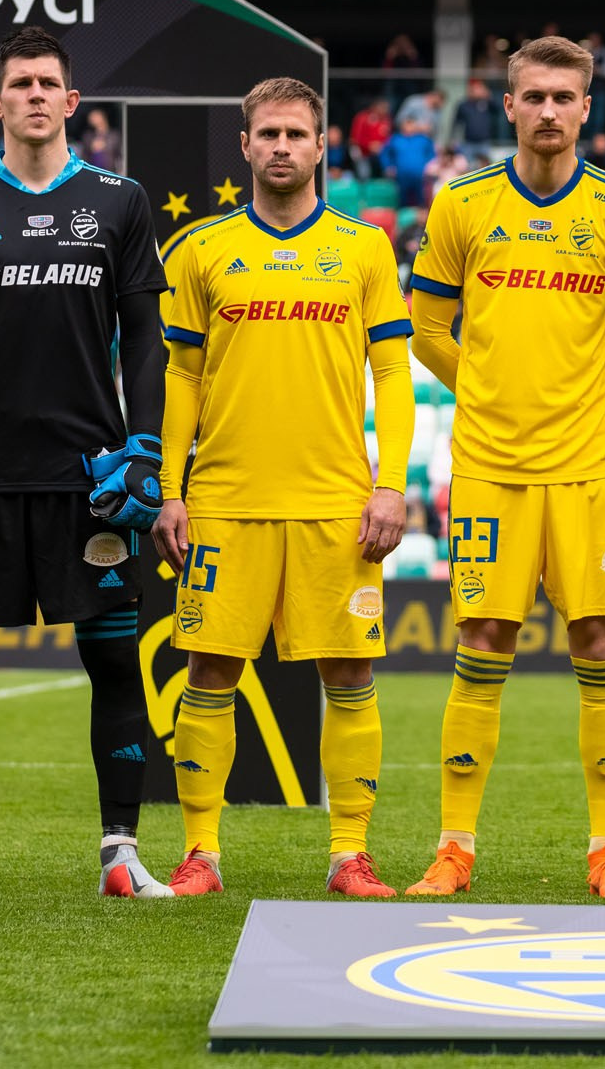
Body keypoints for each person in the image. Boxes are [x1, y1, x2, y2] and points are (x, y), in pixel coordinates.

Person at [0, 26, 172, 902]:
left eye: (51, 81)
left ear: (73, 102)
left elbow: (148, 341)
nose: (37, 94)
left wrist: (146, 452)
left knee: (116, 661)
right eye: (22, 82)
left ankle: (121, 851)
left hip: (91, 477)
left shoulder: (120, 201)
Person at [404, 36, 605, 899]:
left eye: (565, 97)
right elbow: (427, 325)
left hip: (591, 465)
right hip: (490, 464)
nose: (549, 111)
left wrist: (588, 392)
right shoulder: (462, 204)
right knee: (482, 642)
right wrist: (492, 389)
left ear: (588, 108)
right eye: (534, 96)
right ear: (507, 106)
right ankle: (455, 847)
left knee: (602, 643)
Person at [153, 78, 414, 899]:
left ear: (320, 146)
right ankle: (201, 853)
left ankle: (349, 854)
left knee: (349, 677)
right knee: (209, 672)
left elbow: (394, 371)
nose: (281, 147)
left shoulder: (364, 247)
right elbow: (181, 375)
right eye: (267, 133)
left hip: (337, 501)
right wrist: (170, 487)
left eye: (296, 134)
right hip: (225, 498)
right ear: (244, 145)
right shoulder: (199, 248)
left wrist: (392, 485)